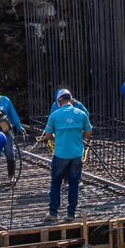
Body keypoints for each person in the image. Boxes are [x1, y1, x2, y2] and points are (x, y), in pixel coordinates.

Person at [42, 88, 91, 223]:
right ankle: (71, 214)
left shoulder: (55, 115)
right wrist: (77, 136)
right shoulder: (81, 114)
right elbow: (88, 133)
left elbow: (48, 136)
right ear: (70, 99)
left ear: (59, 101)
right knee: (74, 184)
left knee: (56, 183)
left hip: (61, 155)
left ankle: (53, 213)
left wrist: (57, 137)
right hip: (76, 155)